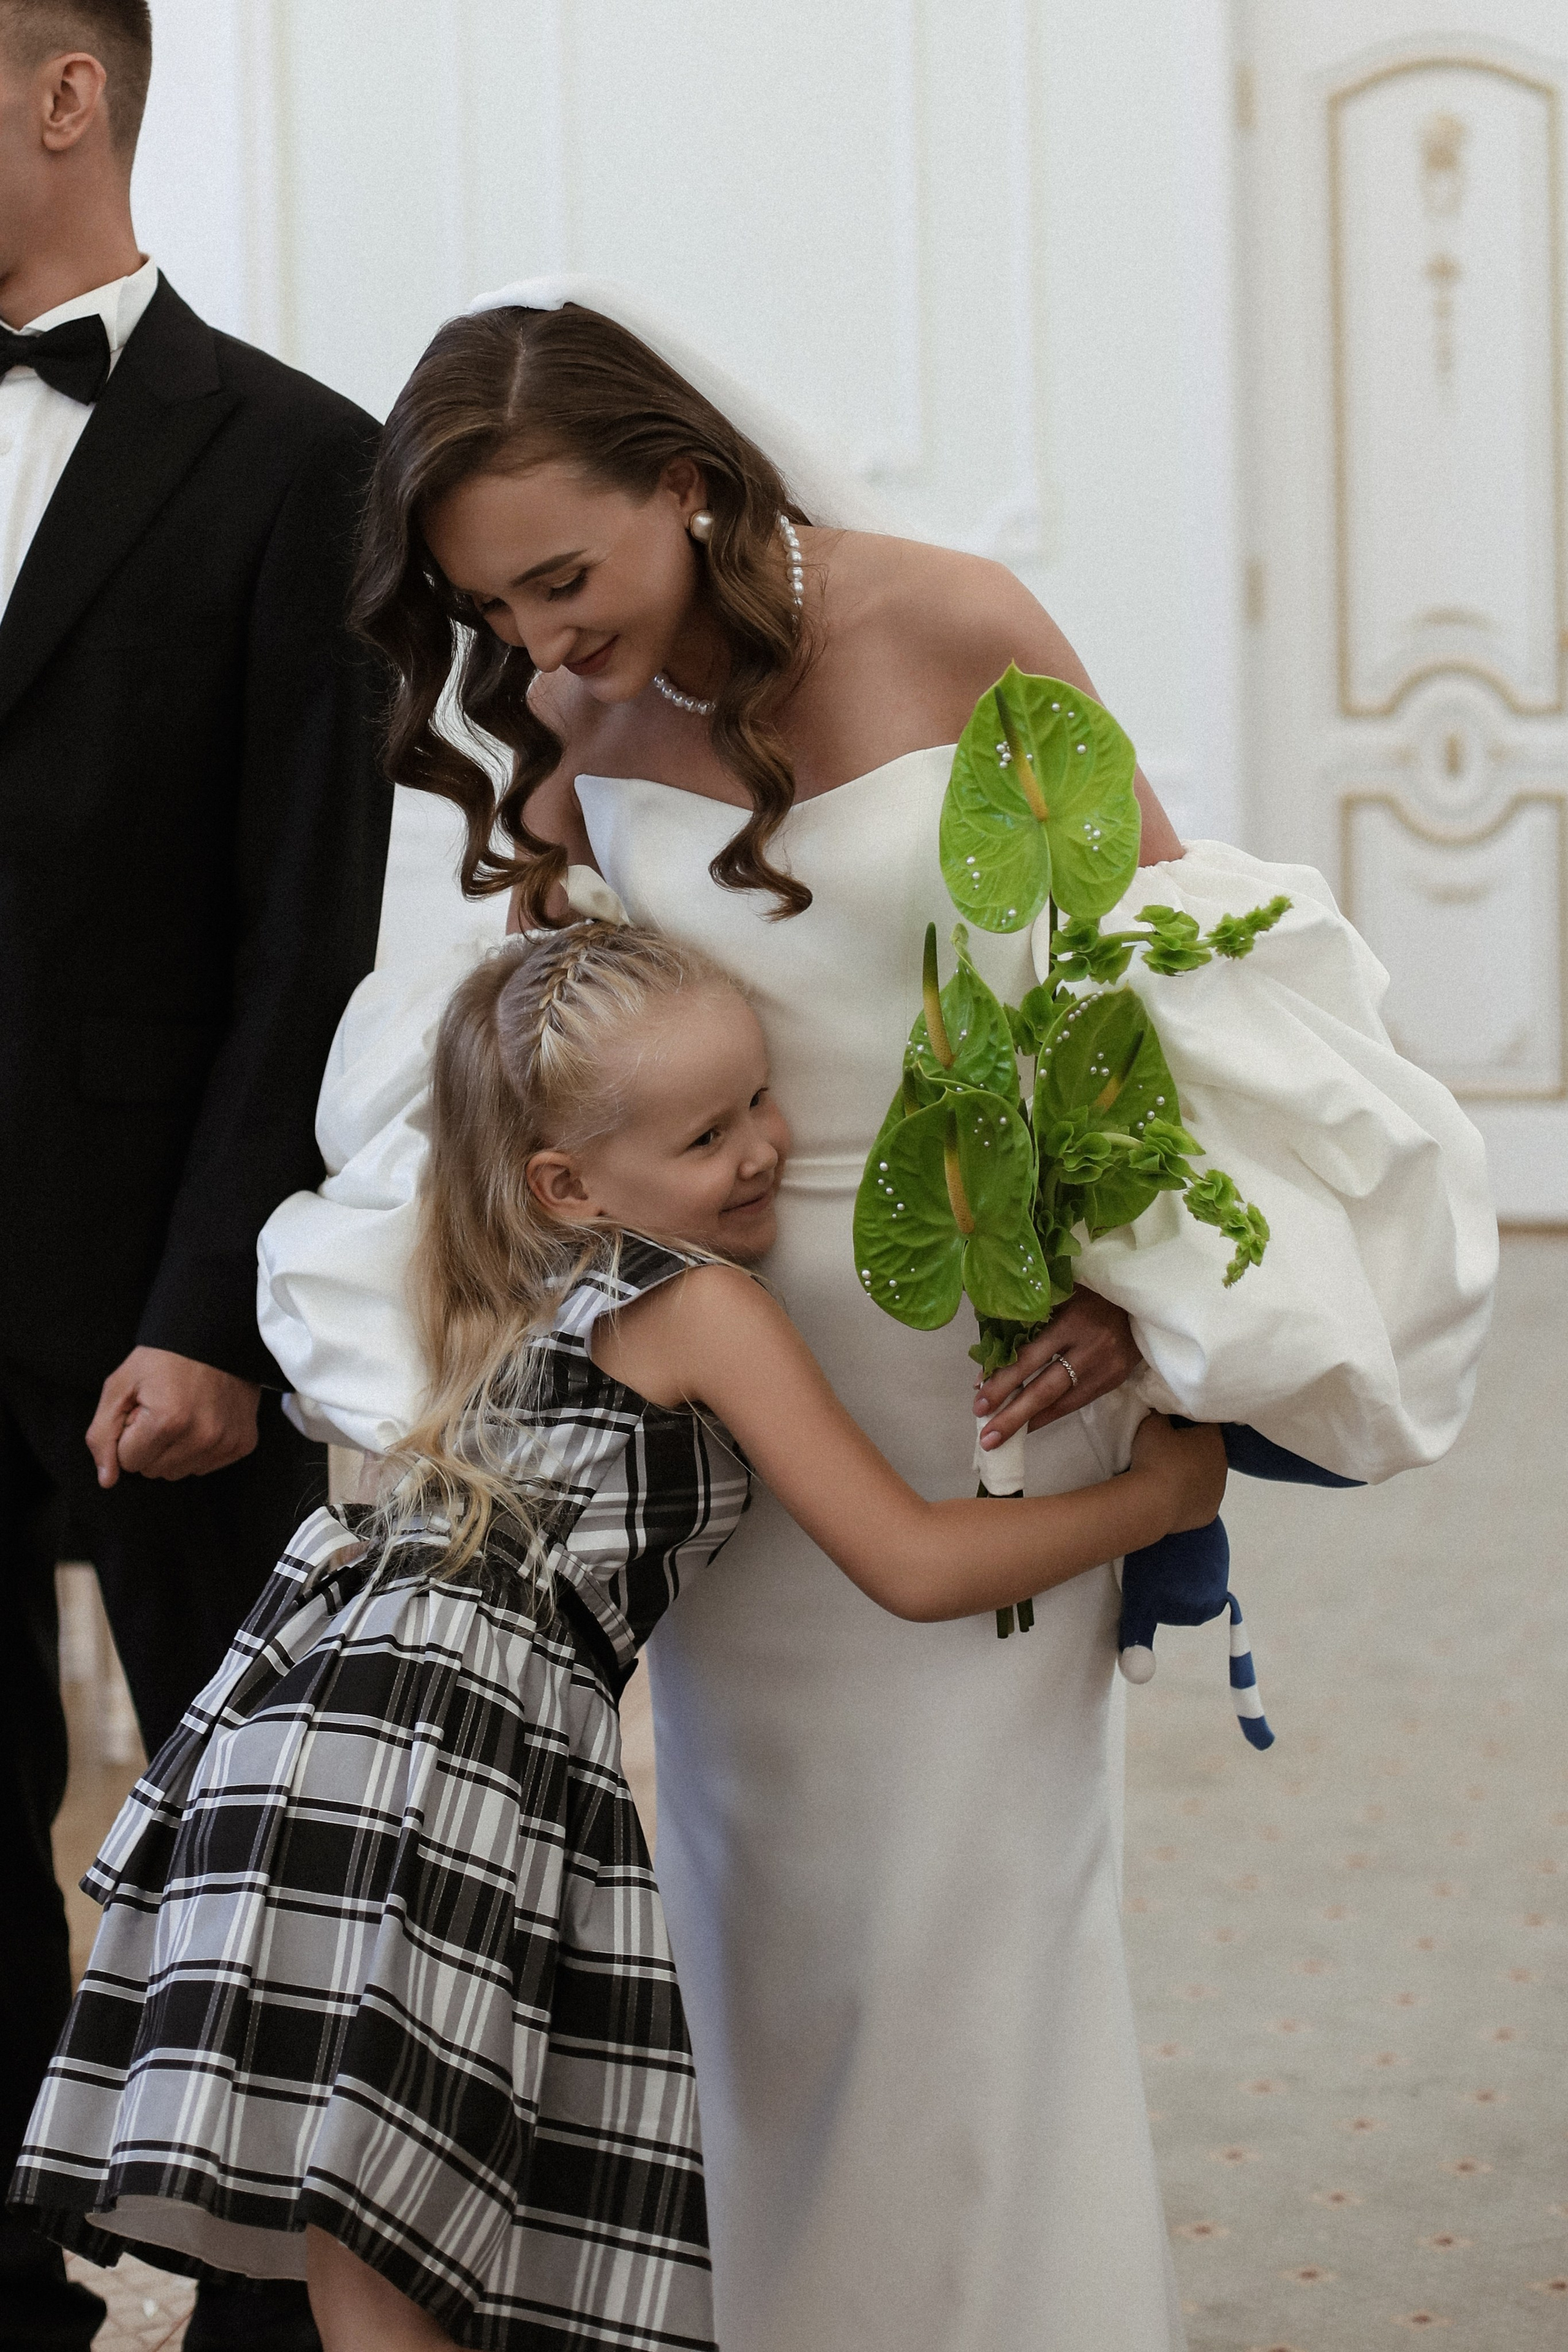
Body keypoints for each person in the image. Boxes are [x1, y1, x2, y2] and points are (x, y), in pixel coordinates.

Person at [249, 284, 1496, 2351]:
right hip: (730, 1389)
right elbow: (551, 1044)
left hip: (990, 1360)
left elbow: (1161, 967)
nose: (546, 650)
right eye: (502, 614)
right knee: (772, 1928)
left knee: (992, 1920)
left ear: (687, 480)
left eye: (568, 582)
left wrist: (1122, 1270)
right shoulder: (567, 720)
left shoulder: (953, 621)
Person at [9, 920, 1228, 2352]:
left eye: (762, 1098)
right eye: (710, 1133)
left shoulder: (496, 1284)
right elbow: (903, 1559)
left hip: (305, 1729)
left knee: (373, 2218)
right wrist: (1151, 1499)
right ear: (566, 1182)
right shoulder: (695, 1302)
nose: (768, 1148)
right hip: (445, 1749)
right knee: (413, 2219)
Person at [0, 7, 391, 2347]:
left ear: (63, 89)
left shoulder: (294, 462)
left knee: (245, 1810)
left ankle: (266, 2284)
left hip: (161, 1259)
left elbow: (308, 932)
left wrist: (217, 1309)